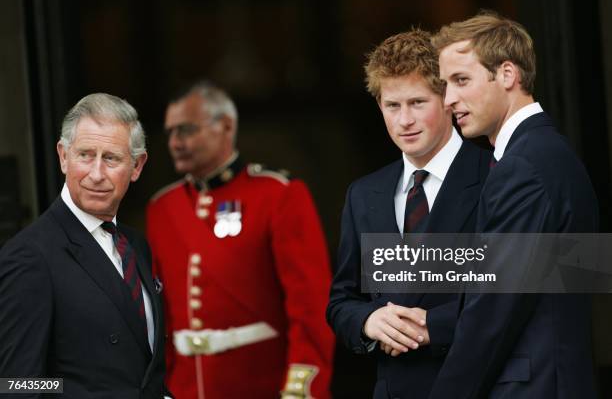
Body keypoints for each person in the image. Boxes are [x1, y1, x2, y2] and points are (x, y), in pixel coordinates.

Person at [428, 11, 599, 398]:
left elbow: (492, 312)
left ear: (507, 75)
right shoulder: (547, 153)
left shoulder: (526, 165)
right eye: (445, 84)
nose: (449, 99)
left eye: (461, 80)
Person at [326, 29, 491, 398]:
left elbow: (516, 294)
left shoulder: (493, 178)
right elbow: (342, 301)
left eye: (418, 103)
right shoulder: (364, 194)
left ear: (448, 99)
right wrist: (369, 320)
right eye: (392, 105)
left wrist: (433, 326)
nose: (404, 121)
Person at [146, 81, 334, 398]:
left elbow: (311, 306)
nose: (176, 142)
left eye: (188, 129)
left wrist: (302, 388)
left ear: (226, 126)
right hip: (184, 387)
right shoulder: (162, 208)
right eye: (171, 132)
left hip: (259, 385)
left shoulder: (276, 194)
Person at [0, 93, 172, 398]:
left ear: (136, 166)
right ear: (63, 156)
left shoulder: (135, 245)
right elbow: (15, 384)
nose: (96, 174)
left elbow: (142, 371)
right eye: (85, 155)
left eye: (111, 158)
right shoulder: (29, 256)